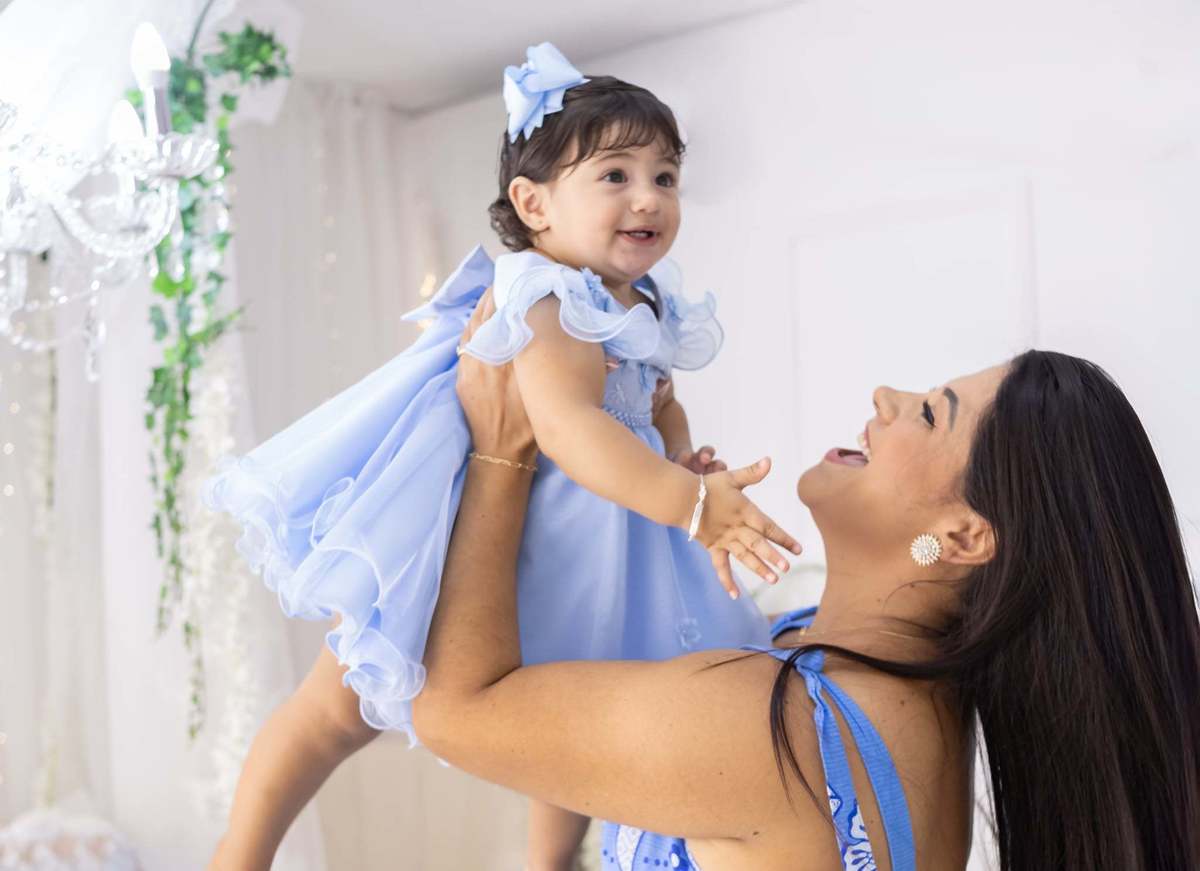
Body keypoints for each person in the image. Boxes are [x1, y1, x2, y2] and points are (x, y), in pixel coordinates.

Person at [205, 42, 798, 869]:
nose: (649, 198)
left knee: (568, 709)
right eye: (617, 175)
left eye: (665, 177)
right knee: (336, 706)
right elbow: (566, 427)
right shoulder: (543, 293)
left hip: (581, 539)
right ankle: (239, 853)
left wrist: (678, 454)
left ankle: (549, 861)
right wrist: (691, 506)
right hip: (454, 532)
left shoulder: (644, 299)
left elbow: (659, 399)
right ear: (534, 203)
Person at [409, 294, 1200, 870]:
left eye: (930, 414)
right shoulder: (895, 693)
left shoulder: (781, 728)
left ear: (964, 536)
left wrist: (503, 447)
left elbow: (454, 711)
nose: (887, 398)